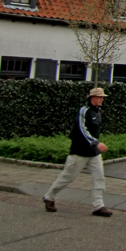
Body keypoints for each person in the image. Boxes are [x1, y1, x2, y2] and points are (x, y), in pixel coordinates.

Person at [43, 87, 112, 217]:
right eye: (100, 97)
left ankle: (98, 206)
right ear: (92, 98)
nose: (102, 99)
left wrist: (95, 144)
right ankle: (49, 197)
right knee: (68, 177)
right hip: (79, 151)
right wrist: (96, 142)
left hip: (93, 152)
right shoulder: (83, 111)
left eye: (103, 97)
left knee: (99, 177)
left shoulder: (98, 112)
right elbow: (82, 129)